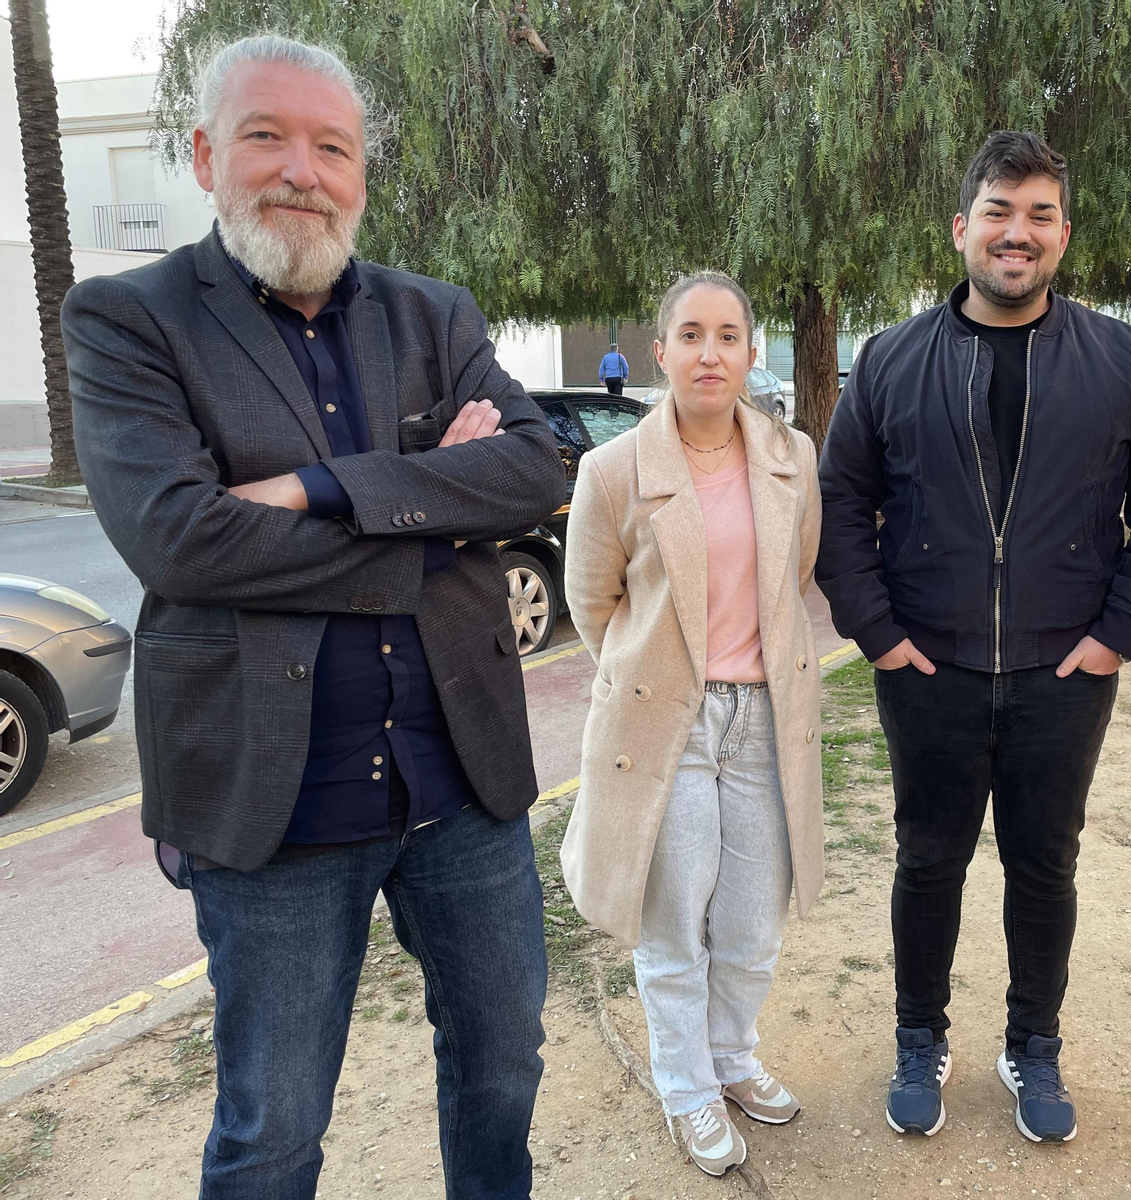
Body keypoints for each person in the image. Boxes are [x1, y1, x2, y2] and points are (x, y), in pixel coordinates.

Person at [61, 36, 566, 1199]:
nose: (302, 170)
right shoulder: (129, 319)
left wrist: (308, 488)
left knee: (503, 1067)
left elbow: (534, 470)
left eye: (332, 147)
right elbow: (180, 539)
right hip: (270, 805)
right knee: (273, 1129)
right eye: (266, 137)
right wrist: (431, 514)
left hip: (462, 788)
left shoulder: (434, 316)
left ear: (361, 176)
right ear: (205, 156)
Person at [817, 131, 1131, 1144]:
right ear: (962, 228)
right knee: (926, 863)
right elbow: (840, 502)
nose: (1016, 232)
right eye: (998, 211)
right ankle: (919, 1037)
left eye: (1039, 214)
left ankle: (1033, 1044)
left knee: (1045, 867)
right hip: (929, 669)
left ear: (1063, 235)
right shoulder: (890, 359)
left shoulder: (1122, 361)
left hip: (1063, 672)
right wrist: (877, 634)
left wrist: (1117, 633)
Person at [561, 271, 824, 1177]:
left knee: (752, 921)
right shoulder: (613, 471)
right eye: (690, 335)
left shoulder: (792, 456)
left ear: (751, 353)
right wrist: (656, 677)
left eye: (727, 336)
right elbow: (594, 604)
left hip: (765, 719)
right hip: (666, 725)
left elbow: (794, 575)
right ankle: (685, 1088)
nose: (709, 354)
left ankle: (730, 1056)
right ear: (660, 352)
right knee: (675, 924)